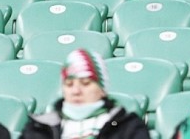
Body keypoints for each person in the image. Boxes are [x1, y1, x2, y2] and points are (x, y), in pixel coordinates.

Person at [21, 48, 150, 139]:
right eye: (69, 84)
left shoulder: (128, 126)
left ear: (102, 89)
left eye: (86, 83)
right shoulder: (39, 128)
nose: (76, 91)